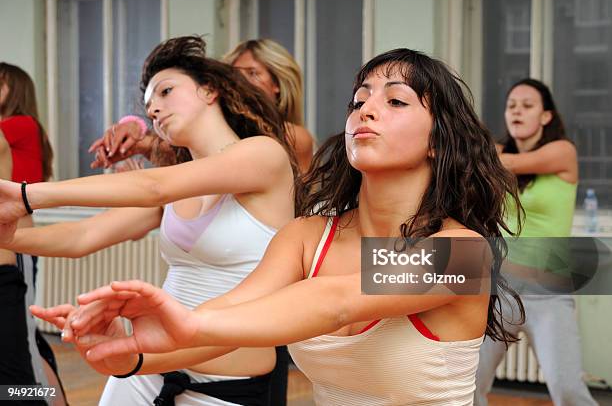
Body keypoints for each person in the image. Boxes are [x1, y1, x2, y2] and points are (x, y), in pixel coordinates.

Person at [15, 48, 525, 405]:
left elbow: (336, 303)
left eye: (395, 101)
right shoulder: (306, 238)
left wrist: (185, 323)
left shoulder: (461, 253)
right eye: (359, 99)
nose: (366, 109)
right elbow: (233, 318)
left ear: (438, 141)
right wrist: (133, 352)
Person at [0, 36, 299, 406]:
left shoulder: (263, 155)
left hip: (228, 382)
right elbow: (83, 235)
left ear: (210, 91)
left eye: (166, 92)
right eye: (149, 105)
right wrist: (8, 238)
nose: (154, 110)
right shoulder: (179, 179)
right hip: (146, 371)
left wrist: (27, 195)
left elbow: (152, 185)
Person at [473, 79, 597, 406]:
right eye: (512, 105)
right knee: (469, 385)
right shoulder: (496, 154)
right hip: (500, 289)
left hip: (549, 291)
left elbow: (510, 164)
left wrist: (476, 153)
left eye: (527, 106)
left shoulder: (562, 152)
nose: (517, 111)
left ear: (545, 116)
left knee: (568, 390)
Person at [90, 38, 313, 174]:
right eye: (235, 74)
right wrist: (133, 127)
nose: (242, 81)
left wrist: (141, 140)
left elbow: (197, 160)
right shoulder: (217, 138)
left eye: (253, 73)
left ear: (278, 84)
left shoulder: (294, 137)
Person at [0, 62, 65, 405]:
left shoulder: (21, 125)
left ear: (15, 89)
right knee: (24, 340)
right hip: (14, 246)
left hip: (18, 249)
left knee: (24, 342)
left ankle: (44, 400)